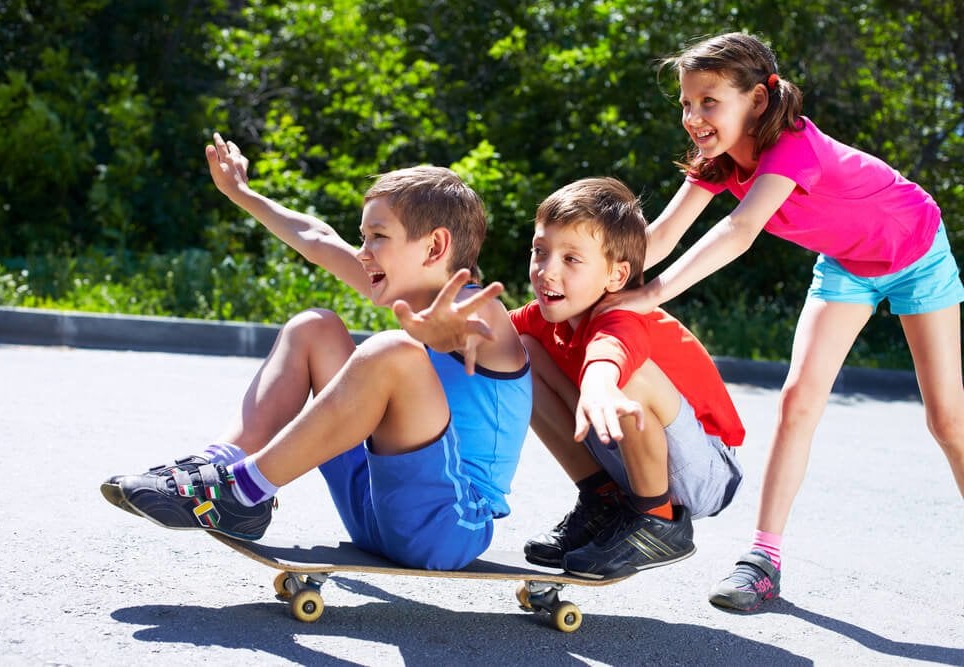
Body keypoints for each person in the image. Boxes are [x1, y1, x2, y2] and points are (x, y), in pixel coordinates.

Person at [606, 32, 964, 610]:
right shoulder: (718, 160)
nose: (694, 117)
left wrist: (654, 293)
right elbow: (664, 234)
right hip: (849, 265)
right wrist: (602, 280)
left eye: (708, 102)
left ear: (758, 100)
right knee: (797, 398)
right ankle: (762, 561)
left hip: (917, 252)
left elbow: (740, 230)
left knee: (948, 423)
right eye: (686, 104)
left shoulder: (791, 146)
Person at [100, 132, 533, 571]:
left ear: (435, 246)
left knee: (391, 351)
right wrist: (241, 193)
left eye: (377, 237)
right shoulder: (406, 288)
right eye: (362, 238)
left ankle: (245, 490)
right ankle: (223, 468)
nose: (362, 254)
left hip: (447, 527)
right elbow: (315, 238)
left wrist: (437, 338)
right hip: (373, 509)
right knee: (315, 327)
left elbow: (463, 333)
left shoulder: (484, 312)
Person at [500, 177, 746, 579]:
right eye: (540, 252)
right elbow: (493, 335)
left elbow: (611, 351)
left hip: (705, 472)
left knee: (630, 378)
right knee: (516, 350)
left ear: (616, 276)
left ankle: (657, 521)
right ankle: (603, 500)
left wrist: (599, 384)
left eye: (571, 259)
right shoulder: (548, 314)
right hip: (635, 453)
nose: (546, 271)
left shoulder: (623, 316)